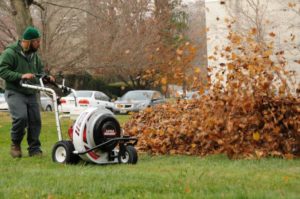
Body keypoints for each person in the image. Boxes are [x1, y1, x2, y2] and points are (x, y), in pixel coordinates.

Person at [0, 26, 54, 158]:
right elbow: (2, 70)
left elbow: (39, 73)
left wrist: (46, 77)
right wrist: (20, 76)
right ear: (28, 42)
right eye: (37, 41)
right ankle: (16, 144)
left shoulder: (34, 56)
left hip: (31, 92)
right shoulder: (11, 53)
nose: (39, 44)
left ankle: (34, 149)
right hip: (15, 91)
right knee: (21, 118)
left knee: (35, 121)